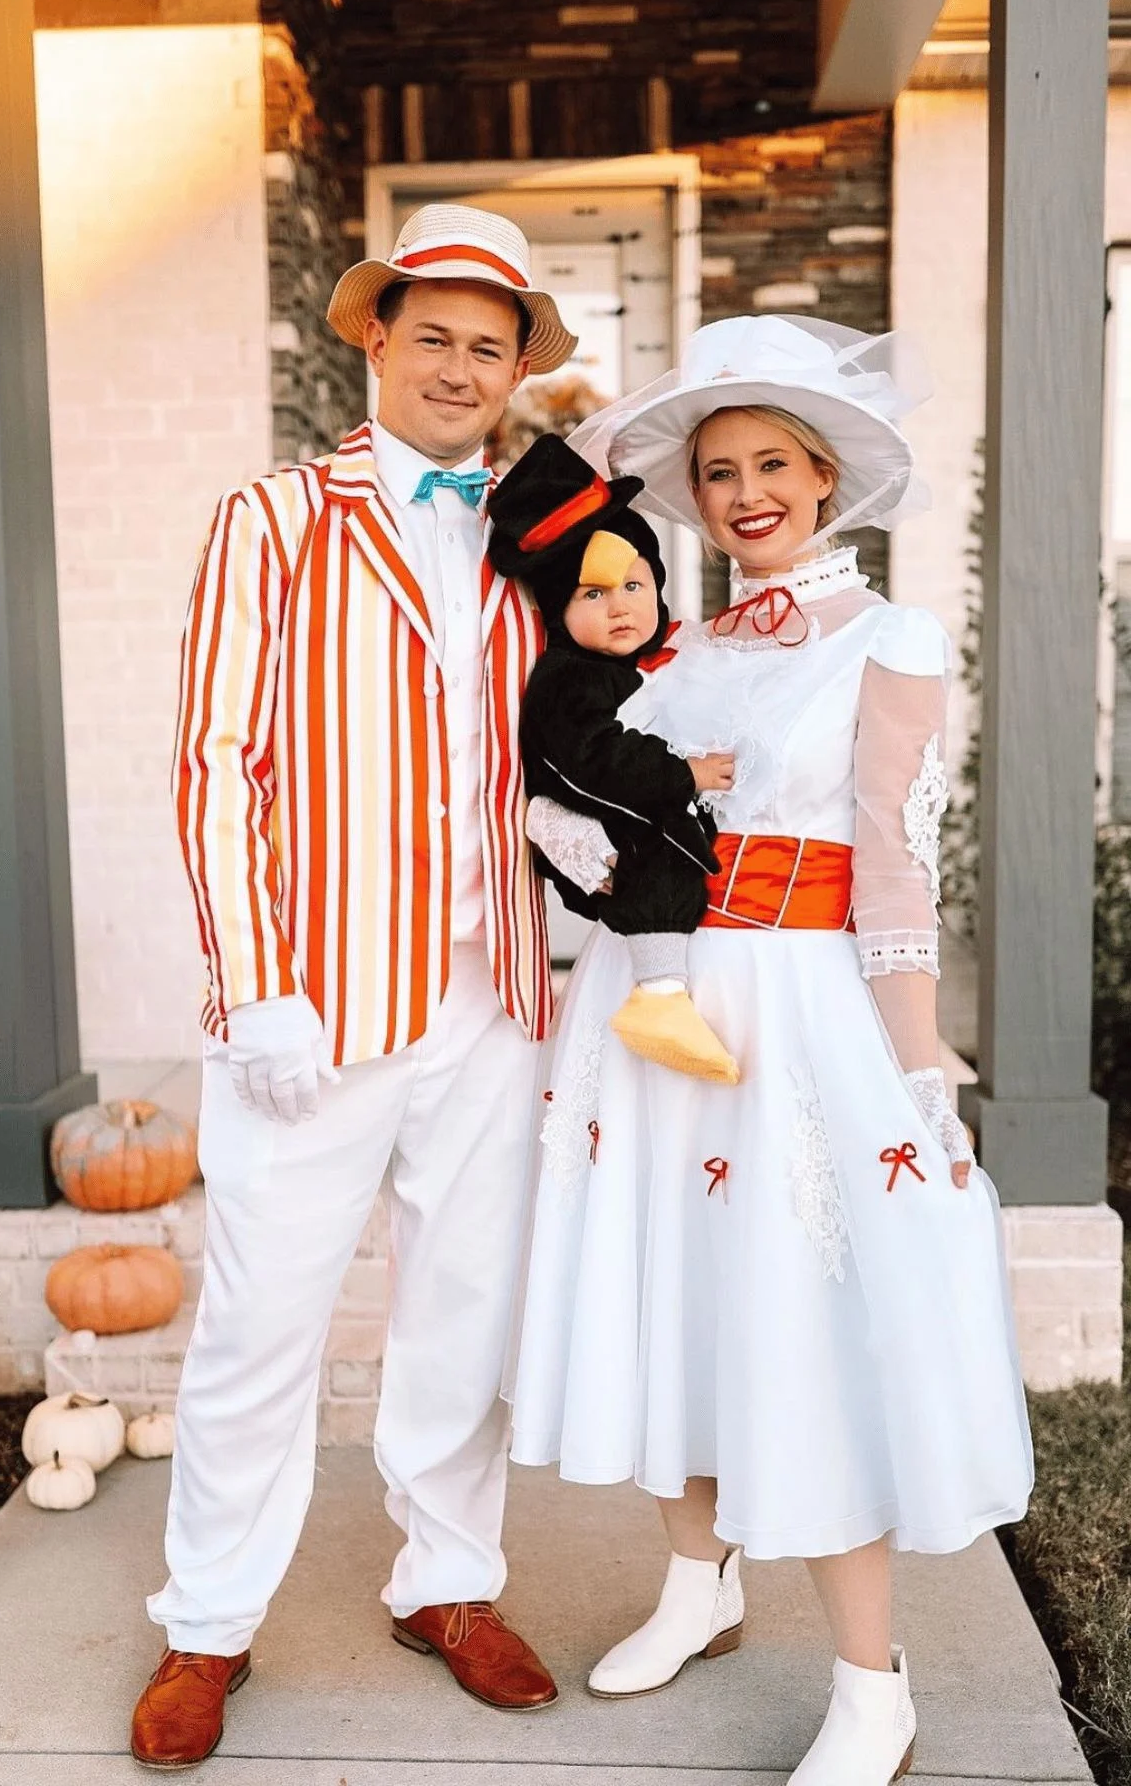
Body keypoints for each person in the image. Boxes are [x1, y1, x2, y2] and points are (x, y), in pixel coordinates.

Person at [509, 315, 1034, 1786]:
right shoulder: (667, 654)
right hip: (656, 1007)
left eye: (772, 466)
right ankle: (701, 1579)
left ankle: (873, 1685)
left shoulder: (888, 640)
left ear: (823, 479)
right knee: (676, 1299)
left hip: (797, 1017)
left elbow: (894, 873)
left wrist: (921, 1071)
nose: (744, 492)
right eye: (717, 468)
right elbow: (602, 811)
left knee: (804, 1329)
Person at [131, 204, 590, 1771]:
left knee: (463, 1317)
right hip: (314, 1004)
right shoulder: (272, 517)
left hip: (495, 996)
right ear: (377, 339)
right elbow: (213, 766)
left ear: (518, 367)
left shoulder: (543, 532)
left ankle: (448, 1585)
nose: (464, 366)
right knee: (262, 1322)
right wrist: (252, 987)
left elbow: (581, 727)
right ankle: (207, 1625)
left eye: (493, 343)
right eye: (437, 335)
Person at [486, 434, 739, 1083]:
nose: (620, 604)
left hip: (632, 809)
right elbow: (596, 759)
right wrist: (685, 775)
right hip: (595, 826)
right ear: (557, 612)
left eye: (632, 583)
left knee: (675, 858)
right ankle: (659, 997)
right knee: (658, 867)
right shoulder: (570, 679)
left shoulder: (650, 663)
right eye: (591, 593)